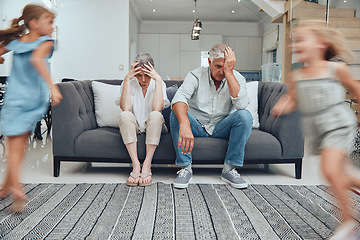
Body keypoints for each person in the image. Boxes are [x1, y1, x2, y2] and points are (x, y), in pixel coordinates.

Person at [272, 21, 360, 240]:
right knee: (338, 176)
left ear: (321, 43)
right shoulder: (297, 76)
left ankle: (349, 225)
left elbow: (356, 90)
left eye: (301, 40)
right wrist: (283, 105)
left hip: (338, 125)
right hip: (317, 131)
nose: (294, 46)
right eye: (294, 42)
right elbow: (293, 99)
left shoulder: (335, 69)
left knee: (330, 171)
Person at [0, 4, 62, 212]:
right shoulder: (45, 42)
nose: (52, 27)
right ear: (34, 23)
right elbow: (37, 59)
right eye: (50, 21)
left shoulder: (16, 42)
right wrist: (53, 87)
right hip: (31, 100)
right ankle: (13, 187)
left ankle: (10, 187)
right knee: (19, 147)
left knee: (15, 148)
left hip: (15, 99)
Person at [170, 43, 253, 189]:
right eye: (218, 66)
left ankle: (229, 170)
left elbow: (241, 106)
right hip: (197, 125)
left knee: (245, 116)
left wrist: (229, 73)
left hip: (222, 127)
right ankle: (185, 168)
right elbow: (179, 99)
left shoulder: (237, 78)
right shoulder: (195, 75)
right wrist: (184, 125)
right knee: (177, 112)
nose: (222, 71)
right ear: (209, 62)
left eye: (226, 66)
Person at [116, 53, 170, 187]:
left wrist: (157, 79)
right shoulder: (128, 82)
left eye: (147, 75)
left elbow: (157, 108)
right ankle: (135, 166)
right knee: (124, 115)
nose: (144, 79)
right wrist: (127, 79)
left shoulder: (159, 82)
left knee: (156, 115)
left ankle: (146, 165)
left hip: (154, 125)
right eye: (139, 75)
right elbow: (125, 107)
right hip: (135, 125)